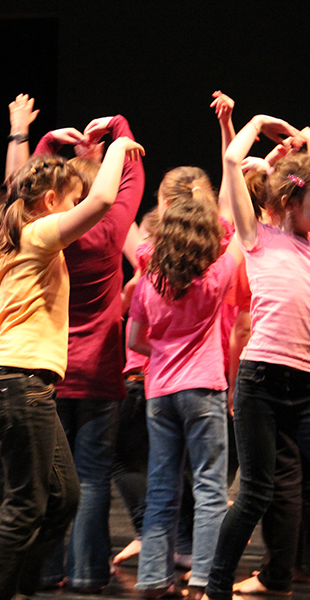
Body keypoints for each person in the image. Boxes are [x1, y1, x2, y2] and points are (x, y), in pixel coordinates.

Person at [0, 120, 145, 600]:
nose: (73, 212)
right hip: (17, 381)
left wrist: (47, 148)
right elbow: (105, 201)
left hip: (20, 383)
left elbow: (32, 183)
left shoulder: (8, 240)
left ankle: (22, 585)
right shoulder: (39, 234)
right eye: (68, 202)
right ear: (49, 205)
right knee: (27, 503)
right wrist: (121, 147)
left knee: (63, 498)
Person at [32, 114, 145, 592]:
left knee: (51, 478)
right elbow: (133, 177)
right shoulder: (107, 232)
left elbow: (27, 187)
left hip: (47, 369)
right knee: (94, 476)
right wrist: (119, 129)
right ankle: (87, 572)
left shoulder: (40, 230)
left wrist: (46, 142)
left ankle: (46, 569)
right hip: (98, 370)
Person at [203, 114, 310, 600]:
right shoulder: (257, 238)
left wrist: (302, 140)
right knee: (255, 493)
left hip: (305, 383)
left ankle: (278, 576)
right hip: (262, 379)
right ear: (290, 201)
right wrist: (259, 122)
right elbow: (230, 160)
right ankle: (216, 586)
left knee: (286, 488)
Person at [129, 191, 242, 599]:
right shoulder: (217, 274)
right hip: (203, 387)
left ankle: (153, 578)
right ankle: (203, 581)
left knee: (162, 487)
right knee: (210, 488)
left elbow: (135, 340)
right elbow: (237, 233)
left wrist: (164, 350)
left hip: (159, 392)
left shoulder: (147, 283)